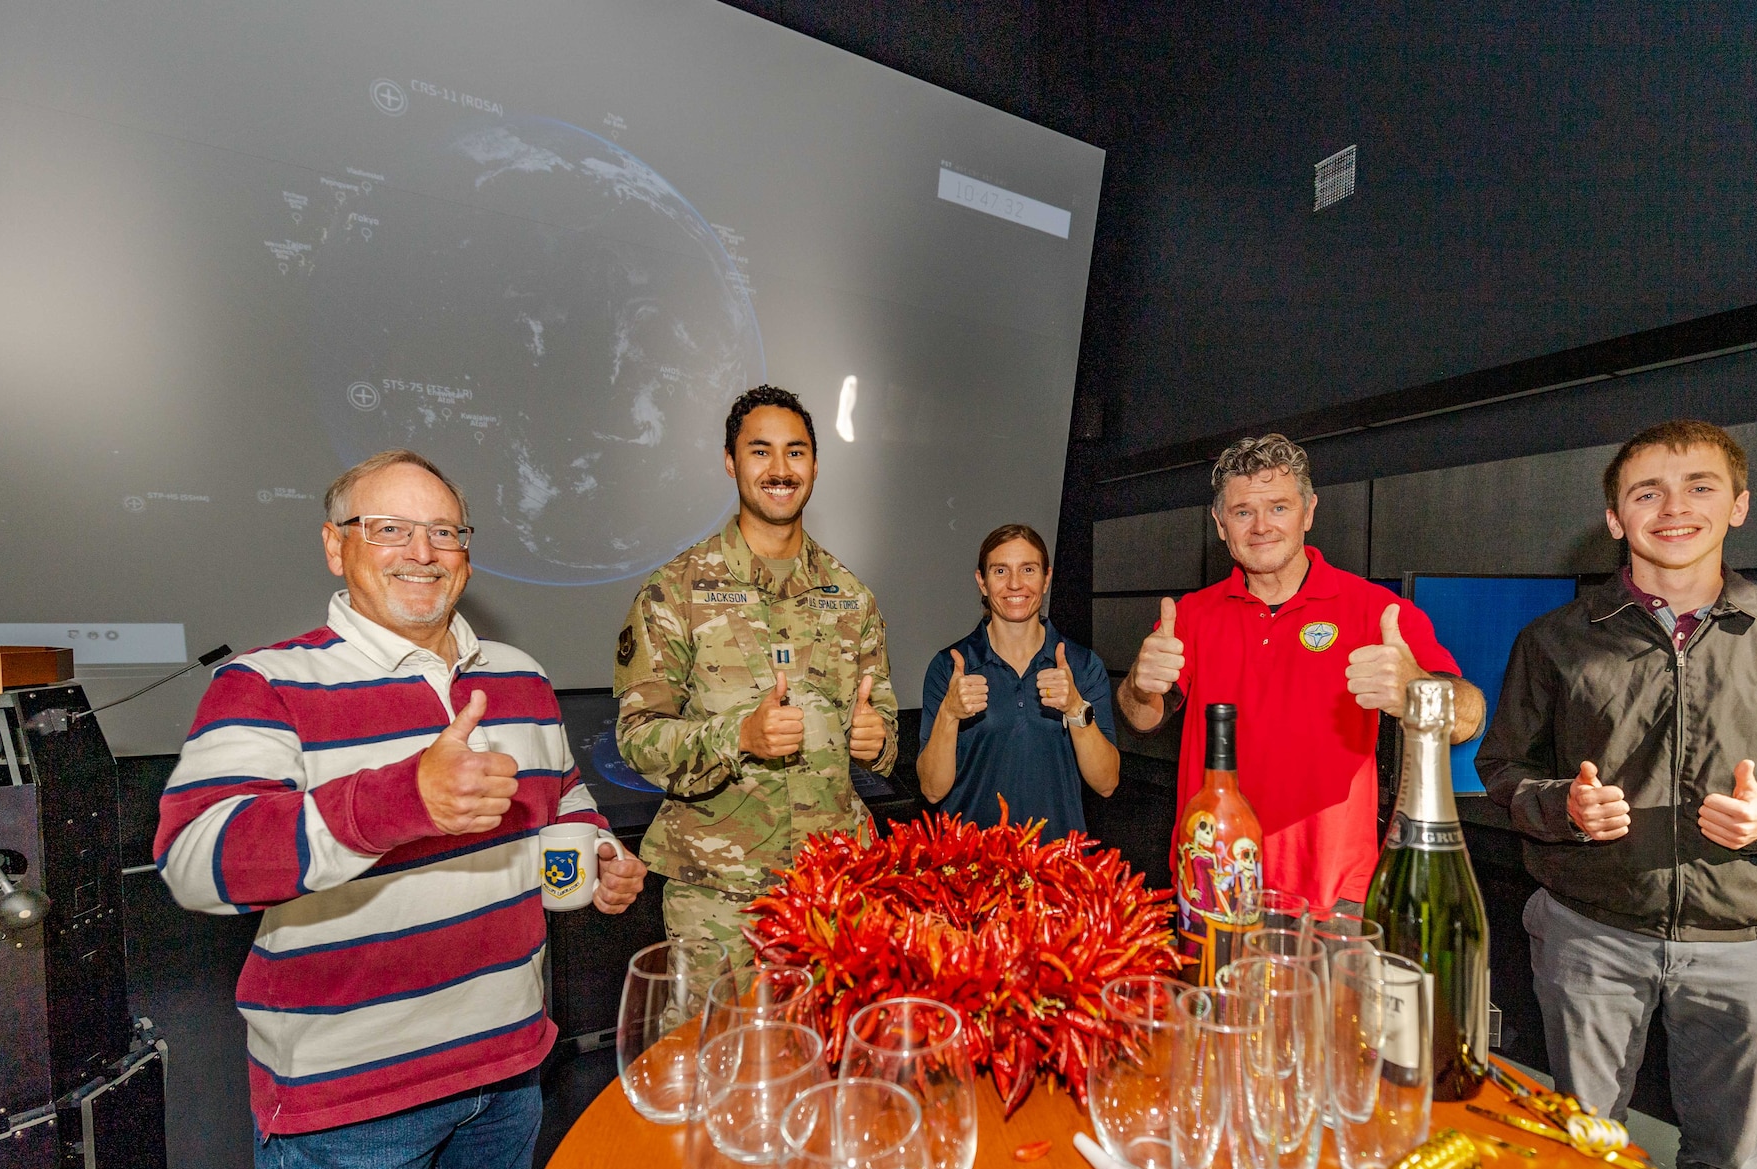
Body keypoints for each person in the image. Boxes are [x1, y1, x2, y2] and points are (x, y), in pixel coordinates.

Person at [155, 449, 647, 1169]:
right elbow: (195, 858)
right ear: (336, 548)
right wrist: (400, 799)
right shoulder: (267, 685)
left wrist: (603, 855)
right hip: (349, 1102)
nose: (422, 550)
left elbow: (562, 799)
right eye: (389, 528)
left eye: (445, 531)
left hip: (504, 1073)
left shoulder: (520, 676)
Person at [1477, 419, 1757, 1169]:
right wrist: (1563, 806)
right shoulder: (1554, 641)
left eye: (1700, 486)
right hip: (1589, 934)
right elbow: (1503, 769)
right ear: (1616, 516)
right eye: (1647, 492)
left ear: (1739, 505)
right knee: (1583, 1149)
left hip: (1749, 951)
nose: (1675, 508)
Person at [1114, 433, 1483, 911]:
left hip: (1332, 895)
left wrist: (1418, 689)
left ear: (1309, 512)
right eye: (1243, 511)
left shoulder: (1374, 609)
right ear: (1220, 523)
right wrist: (1139, 684)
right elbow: (1142, 719)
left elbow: (1469, 719)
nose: (1261, 526)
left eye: (1279, 508)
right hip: (1213, 877)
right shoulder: (1190, 615)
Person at [614, 385, 898, 964]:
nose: (779, 468)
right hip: (720, 896)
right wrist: (738, 737)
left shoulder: (851, 596)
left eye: (795, 452)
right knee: (715, 1050)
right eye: (760, 450)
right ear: (730, 462)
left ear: (815, 466)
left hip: (836, 890)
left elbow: (882, 720)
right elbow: (638, 737)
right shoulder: (675, 591)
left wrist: (879, 739)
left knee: (832, 1051)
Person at [918, 522, 1119, 834]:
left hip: (1058, 866)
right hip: (970, 867)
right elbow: (932, 789)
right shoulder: (950, 667)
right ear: (981, 582)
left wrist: (1076, 707)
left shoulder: (1082, 665)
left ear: (1046, 578)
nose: (1015, 584)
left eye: (1028, 569)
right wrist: (949, 713)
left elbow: (1106, 784)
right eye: (1000, 571)